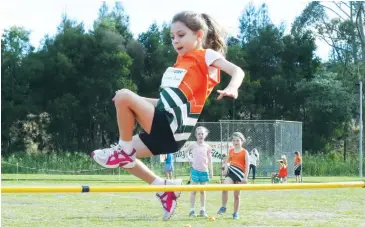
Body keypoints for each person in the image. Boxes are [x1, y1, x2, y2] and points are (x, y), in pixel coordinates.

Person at [91, 11, 245, 221]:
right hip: (167, 132)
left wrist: (233, 88)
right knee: (126, 159)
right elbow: (166, 104)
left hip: (172, 127)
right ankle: (164, 188)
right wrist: (137, 102)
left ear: (199, 35)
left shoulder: (205, 55)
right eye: (172, 37)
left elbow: (237, 71)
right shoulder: (179, 63)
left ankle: (122, 149)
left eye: (181, 35)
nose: (175, 41)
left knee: (123, 96)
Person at [217, 132, 249, 220]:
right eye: (234, 140)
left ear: (242, 141)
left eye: (238, 140)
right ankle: (223, 206)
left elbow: (247, 165)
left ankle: (235, 213)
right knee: (224, 188)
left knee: (236, 195)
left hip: (240, 175)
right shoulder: (230, 150)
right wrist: (225, 168)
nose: (235, 142)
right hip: (231, 173)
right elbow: (227, 162)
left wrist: (245, 178)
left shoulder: (244, 152)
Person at [186, 126, 213, 217]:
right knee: (193, 191)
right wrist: (189, 158)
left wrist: (211, 171)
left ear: (205, 135)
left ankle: (202, 210)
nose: (200, 135)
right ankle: (192, 210)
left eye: (202, 134)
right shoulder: (193, 145)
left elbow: (210, 159)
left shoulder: (207, 146)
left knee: (202, 191)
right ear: (196, 135)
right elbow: (186, 152)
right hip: (195, 171)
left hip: (204, 171)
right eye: (199, 134)